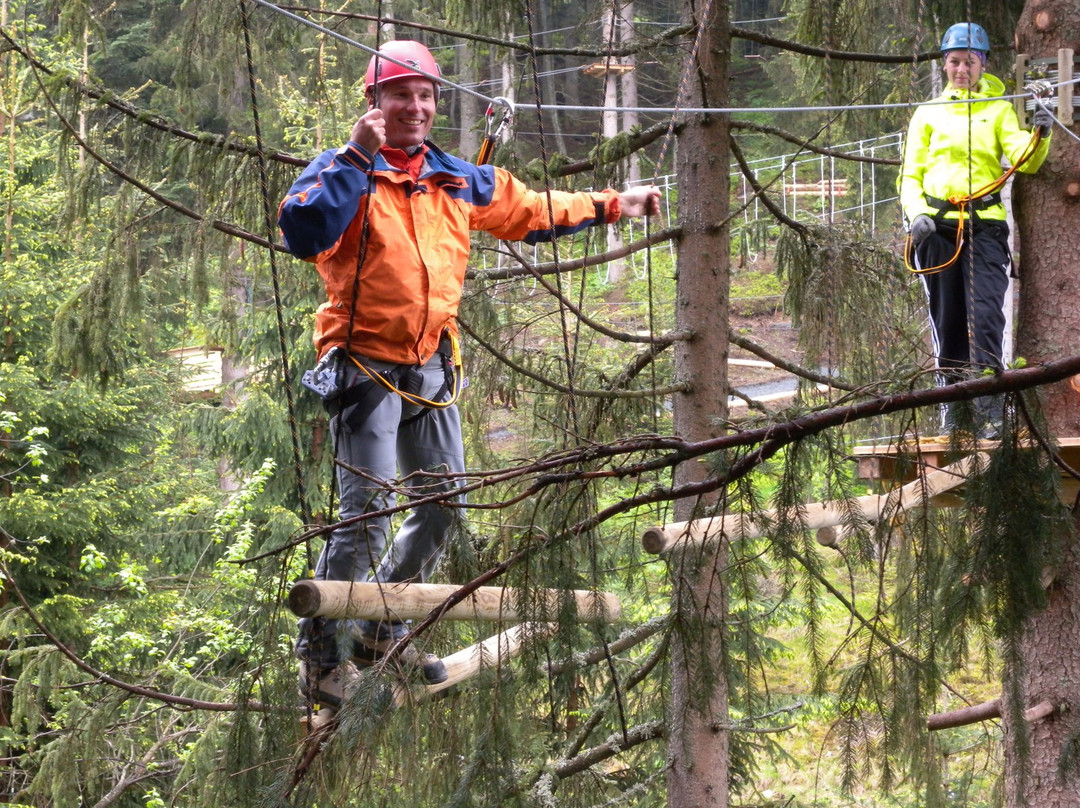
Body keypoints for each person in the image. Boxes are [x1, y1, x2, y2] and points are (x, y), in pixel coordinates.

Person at [278, 40, 662, 719]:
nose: (417, 107)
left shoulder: (451, 177)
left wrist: (616, 204)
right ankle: (321, 656)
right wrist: (357, 156)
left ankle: (381, 624)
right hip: (365, 366)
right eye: (403, 96)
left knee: (443, 507)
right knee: (365, 516)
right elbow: (304, 231)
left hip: (430, 364)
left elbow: (531, 209)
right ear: (375, 103)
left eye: (427, 97)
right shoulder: (342, 172)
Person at [898, 22, 1053, 437]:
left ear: (982, 64)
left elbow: (1027, 160)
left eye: (969, 61)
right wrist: (916, 215)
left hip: (984, 226)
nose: (961, 69)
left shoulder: (999, 109)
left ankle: (988, 409)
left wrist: (1041, 131)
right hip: (936, 228)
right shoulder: (928, 113)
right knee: (947, 319)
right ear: (944, 65)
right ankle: (953, 407)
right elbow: (910, 174)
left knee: (987, 315)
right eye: (954, 61)